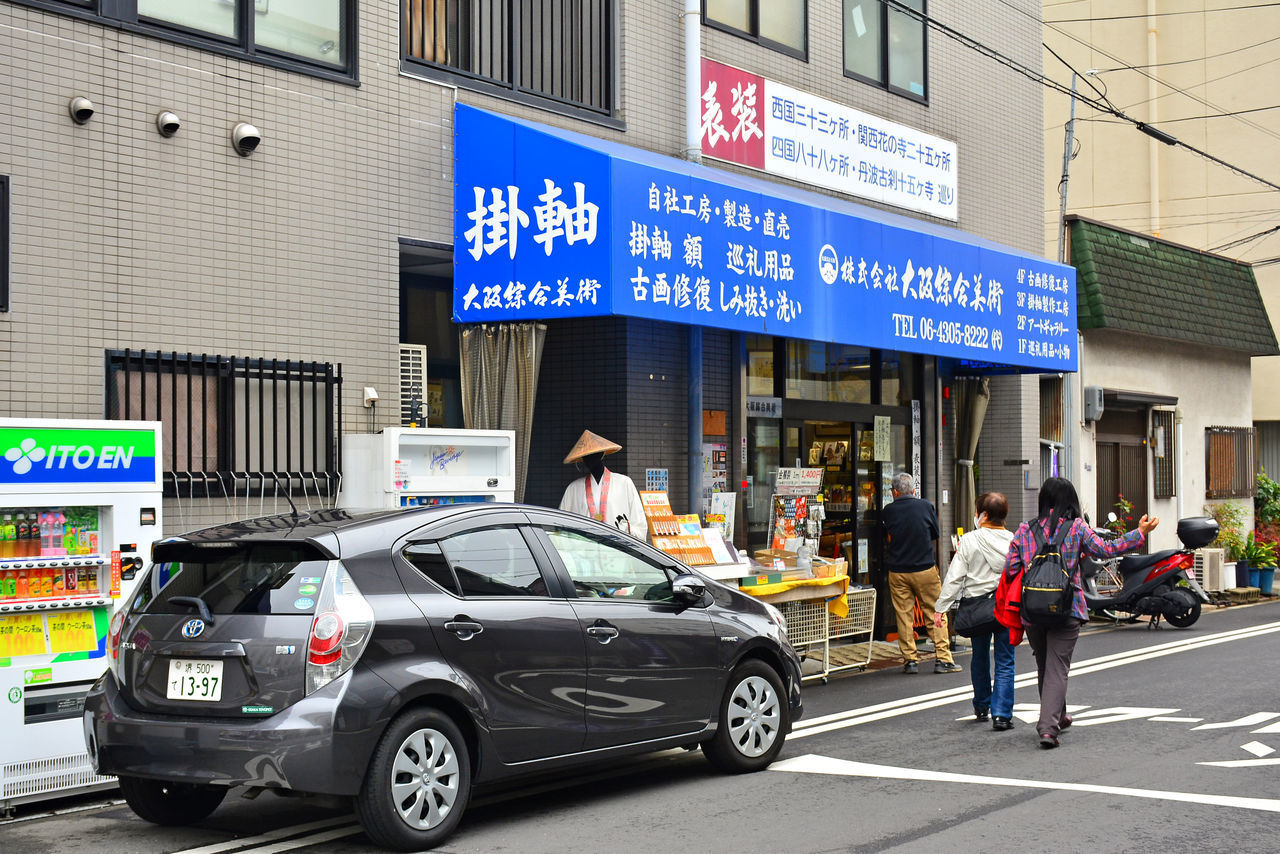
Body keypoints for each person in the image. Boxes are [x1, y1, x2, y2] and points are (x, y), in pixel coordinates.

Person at [1003, 476, 1158, 748]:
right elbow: (1106, 549)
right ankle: (1049, 727)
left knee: (1045, 664)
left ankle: (1058, 716)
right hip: (1066, 606)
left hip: (1033, 609)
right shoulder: (1077, 529)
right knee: (1057, 666)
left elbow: (1011, 569)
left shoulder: (1024, 531)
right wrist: (1139, 533)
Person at [934, 492, 1016, 729]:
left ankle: (982, 705)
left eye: (977, 511)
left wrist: (941, 607)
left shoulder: (969, 540)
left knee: (979, 656)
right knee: (1005, 660)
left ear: (985, 515)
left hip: (977, 608)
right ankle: (1002, 715)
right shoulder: (1014, 541)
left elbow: (954, 577)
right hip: (1005, 607)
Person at [881, 472, 961, 674]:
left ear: (895, 492)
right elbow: (935, 533)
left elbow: (885, 537)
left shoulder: (888, 511)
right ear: (914, 490)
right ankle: (943, 658)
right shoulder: (925, 506)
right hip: (925, 568)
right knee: (935, 612)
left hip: (898, 571)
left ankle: (910, 661)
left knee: (904, 615)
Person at [558, 429, 647, 541]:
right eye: (585, 456)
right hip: (584, 552)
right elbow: (563, 528)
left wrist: (625, 529)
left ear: (601, 454)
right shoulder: (573, 489)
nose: (589, 460)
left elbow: (640, 526)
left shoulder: (624, 483)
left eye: (593, 455)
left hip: (618, 551)